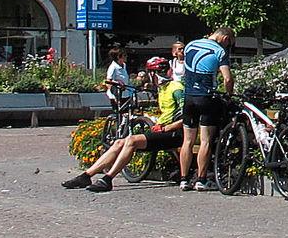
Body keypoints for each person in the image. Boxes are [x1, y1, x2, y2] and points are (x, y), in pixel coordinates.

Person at [64, 63, 182, 192]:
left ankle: (108, 179)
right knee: (119, 142)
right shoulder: (163, 88)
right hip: (163, 129)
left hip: (175, 133)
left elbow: (189, 115)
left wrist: (167, 127)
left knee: (132, 141)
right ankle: (86, 176)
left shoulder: (176, 88)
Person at [177, 27, 234, 193]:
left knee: (187, 141)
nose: (227, 46)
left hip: (189, 97)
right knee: (205, 141)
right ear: (224, 38)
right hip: (206, 97)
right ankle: (201, 180)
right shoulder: (219, 51)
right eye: (229, 43)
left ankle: (184, 179)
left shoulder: (190, 45)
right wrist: (229, 95)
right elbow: (227, 78)